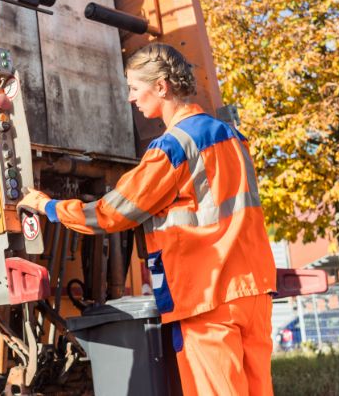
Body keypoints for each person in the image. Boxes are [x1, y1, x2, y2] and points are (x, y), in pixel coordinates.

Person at [19, 42, 276, 396]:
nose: (130, 98)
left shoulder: (172, 147)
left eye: (134, 88)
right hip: (253, 288)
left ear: (161, 87)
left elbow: (112, 213)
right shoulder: (233, 137)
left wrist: (49, 207)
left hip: (207, 294)